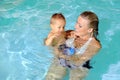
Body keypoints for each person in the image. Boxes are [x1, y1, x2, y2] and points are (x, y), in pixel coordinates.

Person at [46, 11, 101, 80]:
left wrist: (62, 54)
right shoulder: (70, 33)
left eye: (80, 26)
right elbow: (53, 44)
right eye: (76, 22)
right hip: (63, 60)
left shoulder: (94, 45)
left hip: (79, 67)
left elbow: (79, 61)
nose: (75, 26)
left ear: (89, 30)